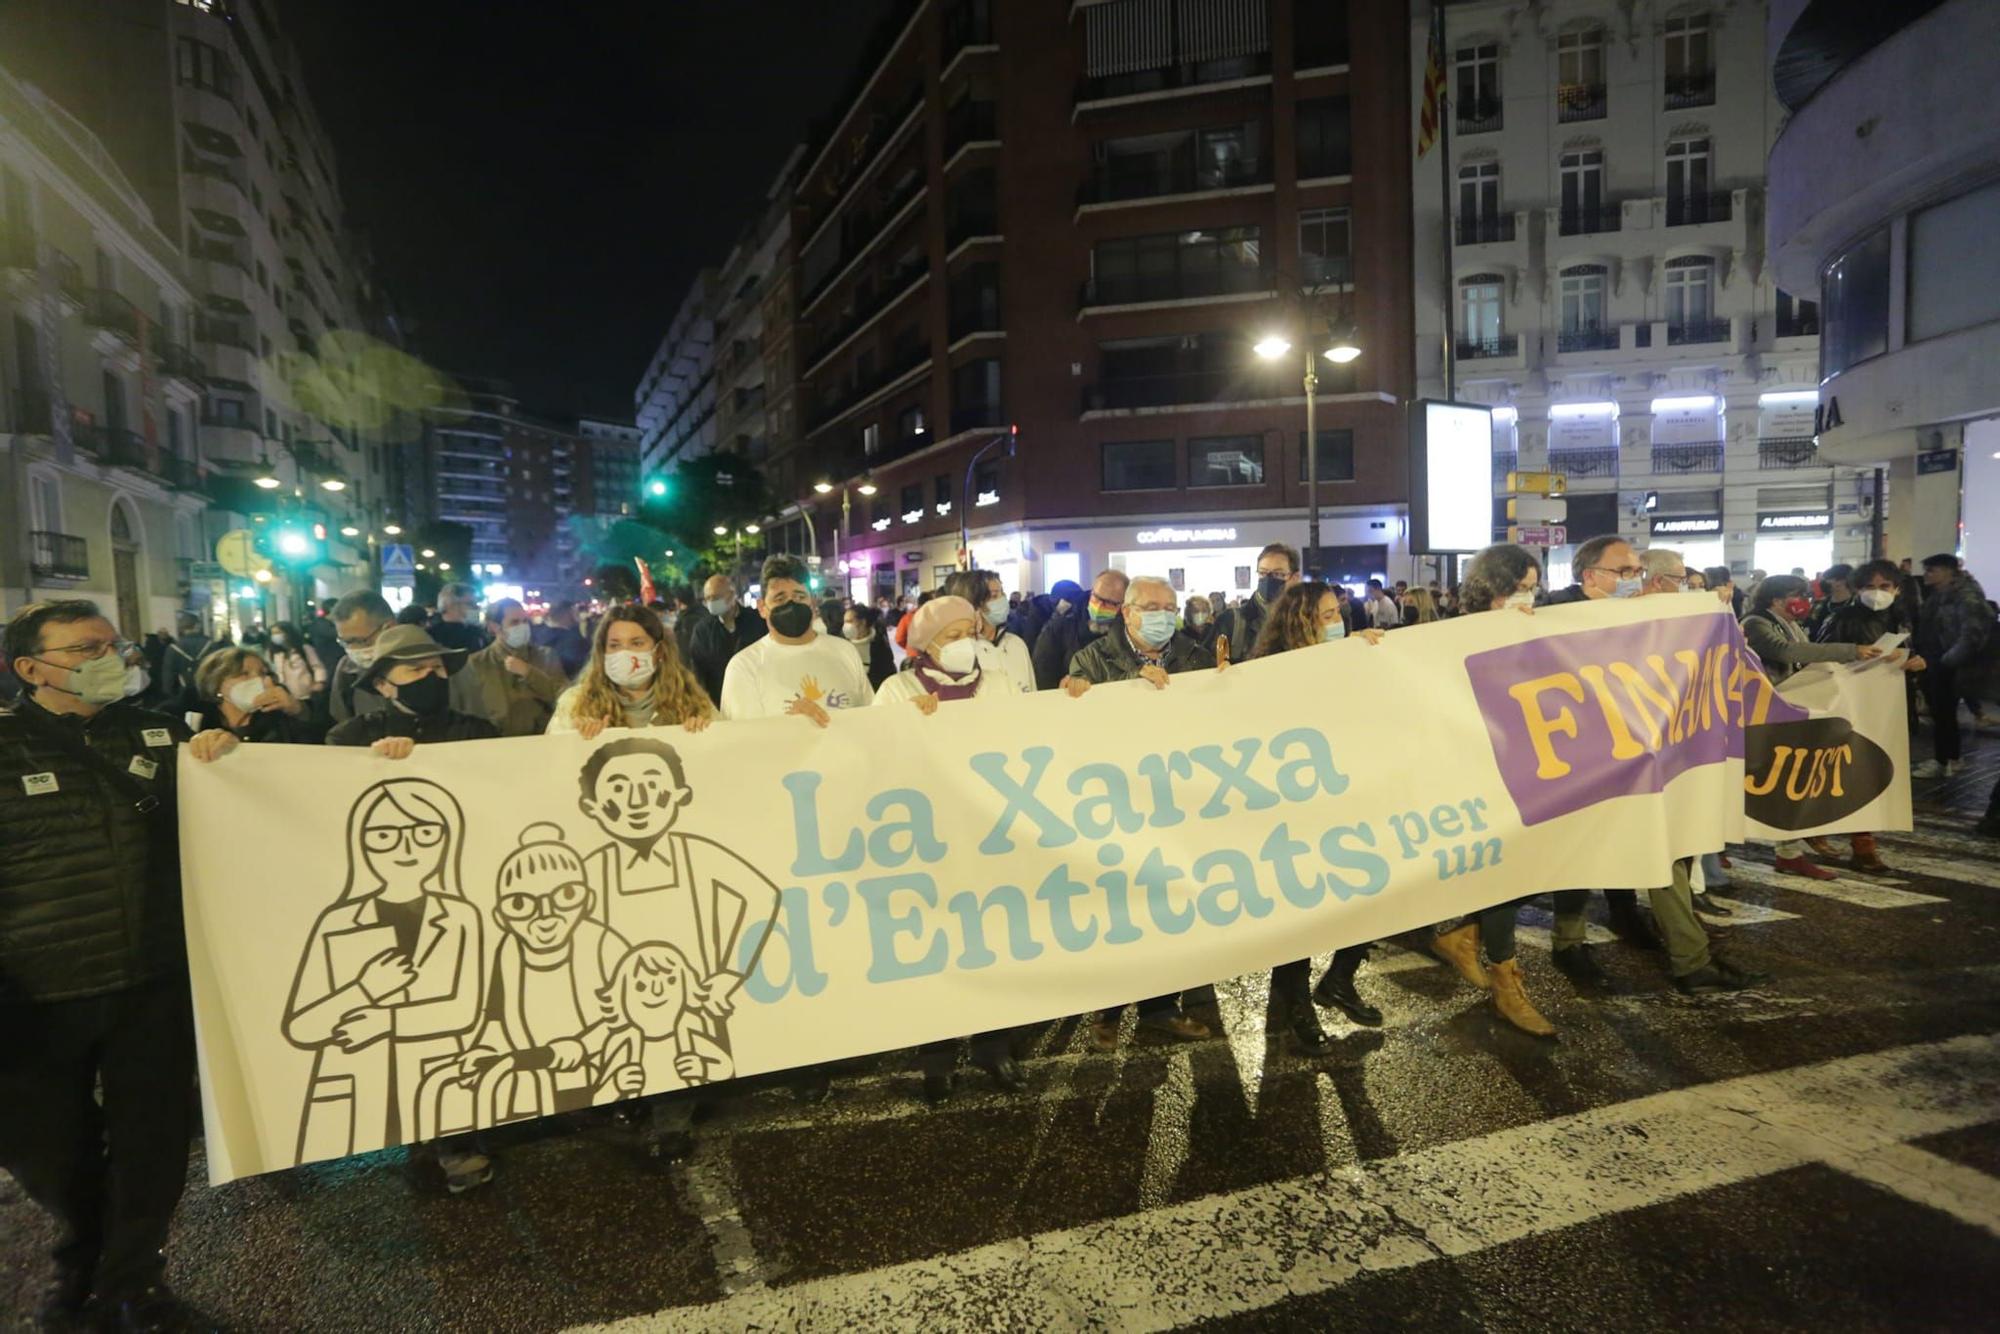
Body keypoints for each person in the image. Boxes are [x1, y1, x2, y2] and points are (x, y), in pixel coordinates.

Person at [2, 599, 242, 1331]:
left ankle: (131, 1282)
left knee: (154, 1146)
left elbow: (229, 826)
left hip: (150, 982)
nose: (110, 659)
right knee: (47, 1154)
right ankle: (85, 1257)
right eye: (85, 649)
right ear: (30, 668)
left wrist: (226, 762)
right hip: (36, 994)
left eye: (113, 645)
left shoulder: (160, 732)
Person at [873, 596, 1028, 1103]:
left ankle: (993, 1044)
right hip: (928, 840)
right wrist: (907, 729)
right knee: (936, 946)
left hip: (991, 831)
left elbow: (1029, 737)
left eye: (972, 630)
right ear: (927, 643)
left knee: (993, 938)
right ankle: (935, 1059)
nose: (969, 641)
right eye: (955, 633)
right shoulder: (897, 690)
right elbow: (875, 759)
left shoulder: (1000, 682)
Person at [1062, 575, 1215, 1048]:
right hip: (1117, 803)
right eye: (1151, 606)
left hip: (1176, 801)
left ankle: (1161, 1006)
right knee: (1119, 908)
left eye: (1170, 608)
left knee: (1169, 906)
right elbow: (1079, 729)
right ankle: (1107, 1012)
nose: (1163, 615)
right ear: (1126, 612)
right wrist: (1132, 686)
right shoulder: (1090, 659)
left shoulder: (1195, 656)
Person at [1246, 582, 1395, 1048]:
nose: (1337, 622)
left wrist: (1367, 657)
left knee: (1371, 893)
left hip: (1349, 802)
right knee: (1302, 916)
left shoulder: (1348, 659)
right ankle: (1298, 1008)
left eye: (1339, 612)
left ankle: (1340, 979)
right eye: (1326, 615)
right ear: (1300, 621)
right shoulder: (1268, 673)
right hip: (1295, 810)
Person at [1534, 534, 1661, 961]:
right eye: (1623, 571)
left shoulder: (1636, 612)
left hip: (1624, 742)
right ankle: (1568, 943)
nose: (1633, 580)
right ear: (1591, 575)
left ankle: (1625, 915)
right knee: (1579, 845)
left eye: (1636, 571)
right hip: (1572, 747)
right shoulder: (1553, 609)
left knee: (1621, 833)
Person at [1741, 574, 1890, 881]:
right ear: (1777, 599)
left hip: (1789, 709)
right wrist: (1850, 651)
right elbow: (1786, 652)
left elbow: (1805, 657)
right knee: (1758, 782)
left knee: (1786, 783)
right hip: (1766, 712)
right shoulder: (1756, 623)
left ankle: (1789, 853)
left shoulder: (1789, 623)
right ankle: (1717, 853)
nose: (1804, 602)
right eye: (1797, 595)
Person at [1814, 559, 1928, 871]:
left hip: (1891, 707)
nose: (1876, 593)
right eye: (1869, 587)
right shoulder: (1842, 618)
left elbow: (1925, 652)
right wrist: (1857, 653)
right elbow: (1821, 657)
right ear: (1857, 589)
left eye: (1884, 587)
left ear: (1897, 589)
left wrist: (1919, 662)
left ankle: (1857, 840)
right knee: (1853, 773)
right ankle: (1858, 844)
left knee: (1877, 774)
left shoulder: (1905, 618)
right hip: (1855, 706)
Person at [720, 556, 875, 725]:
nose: (791, 604)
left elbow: (869, 720)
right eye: (780, 599)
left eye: (799, 596)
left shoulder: (845, 652)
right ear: (762, 608)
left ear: (813, 602)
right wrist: (794, 728)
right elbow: (743, 741)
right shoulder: (744, 667)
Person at [325, 623, 501, 755]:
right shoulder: (351, 738)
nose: (430, 676)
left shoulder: (478, 733)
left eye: (437, 668)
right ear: (383, 685)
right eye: (416, 669)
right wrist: (372, 759)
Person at [548, 602, 713, 740]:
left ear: (659, 651)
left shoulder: (692, 701)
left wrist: (704, 732)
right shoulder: (574, 704)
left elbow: (721, 753)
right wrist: (576, 738)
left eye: (637, 643)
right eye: (615, 645)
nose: (625, 653)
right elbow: (553, 762)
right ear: (602, 652)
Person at [1912, 553, 1994, 778]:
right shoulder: (1939, 595)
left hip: (1948, 665)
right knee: (1941, 714)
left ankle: (1945, 760)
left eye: (1932, 570)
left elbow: (1971, 635)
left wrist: (1947, 661)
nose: (1927, 574)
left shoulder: (1966, 597)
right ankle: (1949, 757)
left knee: (1944, 713)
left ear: (1949, 572)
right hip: (1935, 661)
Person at [450, 598, 568, 737]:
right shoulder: (476, 664)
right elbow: (464, 713)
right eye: (514, 622)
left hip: (541, 741)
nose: (523, 627)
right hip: (495, 746)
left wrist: (529, 673)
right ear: (494, 627)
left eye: (525, 621)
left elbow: (564, 698)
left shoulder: (546, 656)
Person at [192, 646, 316, 744]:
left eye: (263, 673)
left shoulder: (278, 719)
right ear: (217, 683)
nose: (258, 679)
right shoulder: (200, 722)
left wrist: (299, 710)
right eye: (244, 674)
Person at [1032, 569, 1129, 690]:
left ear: (1123, 605)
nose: (1099, 606)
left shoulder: (1128, 631)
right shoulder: (1059, 627)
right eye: (1096, 597)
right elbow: (1042, 674)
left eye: (1109, 603)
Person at [943, 569, 1034, 693]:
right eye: (994, 596)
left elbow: (1032, 692)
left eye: (1002, 594)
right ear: (975, 603)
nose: (1002, 600)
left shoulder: (1016, 644)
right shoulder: (962, 652)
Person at [685, 574, 767, 709]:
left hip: (756, 699)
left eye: (716, 597)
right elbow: (698, 670)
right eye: (708, 599)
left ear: (732, 595)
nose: (711, 602)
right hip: (720, 703)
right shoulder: (702, 630)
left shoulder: (758, 620)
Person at [1216, 543, 1300, 663]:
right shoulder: (1231, 621)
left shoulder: (1305, 620)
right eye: (1263, 573)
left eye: (1278, 574)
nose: (1268, 579)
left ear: (1295, 578)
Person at [329, 590, 397, 724]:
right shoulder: (346, 669)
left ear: (389, 627)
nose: (353, 650)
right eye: (345, 642)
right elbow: (342, 722)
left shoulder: (430, 663)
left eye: (360, 641)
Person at [158, 609, 227, 711]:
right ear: (197, 625)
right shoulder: (211, 645)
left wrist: (171, 695)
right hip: (208, 692)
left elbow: (168, 677)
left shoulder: (173, 648)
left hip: (185, 694)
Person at [841, 603, 898, 691]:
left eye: (849, 621)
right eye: (844, 622)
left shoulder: (880, 646)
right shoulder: (842, 645)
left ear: (862, 622)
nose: (845, 626)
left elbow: (889, 675)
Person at [428, 582, 489, 654]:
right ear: (450, 604)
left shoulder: (477, 631)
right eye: (471, 603)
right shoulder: (431, 637)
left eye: (476, 604)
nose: (477, 608)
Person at [538, 600, 592, 679]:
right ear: (569, 614)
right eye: (575, 612)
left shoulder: (541, 636)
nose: (578, 616)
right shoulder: (572, 641)